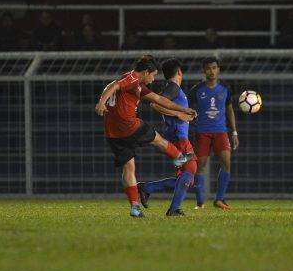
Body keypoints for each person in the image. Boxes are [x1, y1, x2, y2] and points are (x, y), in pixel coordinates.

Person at [95, 55, 197, 218]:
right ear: (146, 72)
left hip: (113, 133)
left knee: (129, 167)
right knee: (157, 138)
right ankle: (178, 157)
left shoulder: (139, 87)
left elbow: (159, 99)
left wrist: (183, 110)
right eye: (153, 74)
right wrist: (101, 102)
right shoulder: (132, 78)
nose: (153, 78)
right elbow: (114, 86)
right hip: (129, 126)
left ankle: (135, 207)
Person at [137, 59, 198, 216]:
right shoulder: (173, 88)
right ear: (179, 72)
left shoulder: (173, 89)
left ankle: (147, 188)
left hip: (175, 138)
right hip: (179, 138)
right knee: (190, 169)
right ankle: (174, 209)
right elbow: (155, 104)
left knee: (186, 177)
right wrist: (178, 113)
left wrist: (184, 113)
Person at [189, 57, 239, 210]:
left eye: (214, 68)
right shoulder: (196, 90)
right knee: (201, 166)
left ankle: (219, 199)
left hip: (221, 132)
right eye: (208, 68)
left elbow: (229, 109)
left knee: (226, 163)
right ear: (204, 71)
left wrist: (234, 132)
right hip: (202, 132)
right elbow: (187, 110)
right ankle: (200, 202)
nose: (211, 71)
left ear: (218, 69)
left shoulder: (225, 88)